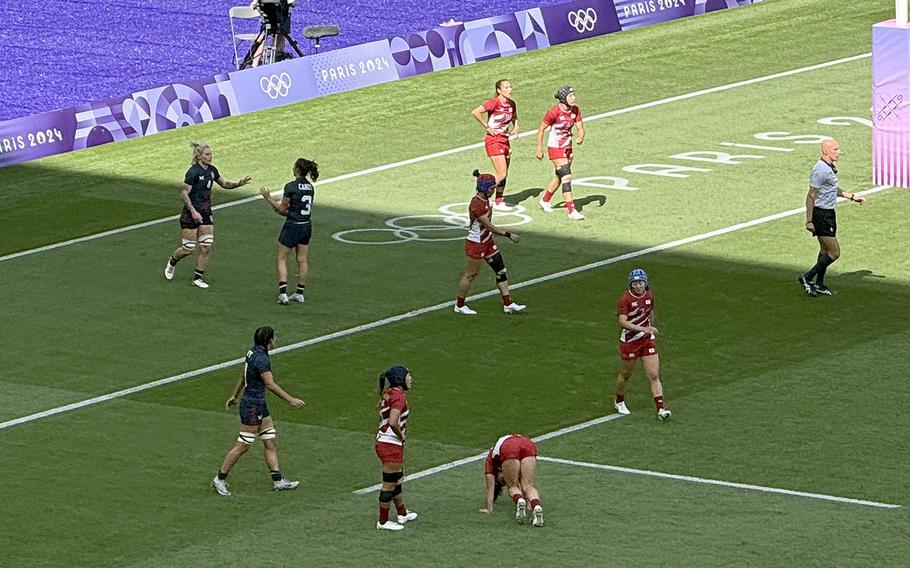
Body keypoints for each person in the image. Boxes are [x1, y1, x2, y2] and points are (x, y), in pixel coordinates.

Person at [212, 326, 307, 496]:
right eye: (274, 337)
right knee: (242, 446)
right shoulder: (262, 359)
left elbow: (244, 375)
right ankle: (219, 479)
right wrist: (291, 399)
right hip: (252, 407)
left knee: (270, 441)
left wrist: (234, 395)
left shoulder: (251, 353)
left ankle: (278, 481)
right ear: (269, 341)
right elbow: (270, 383)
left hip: (258, 404)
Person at [164, 142, 252, 288]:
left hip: (205, 213)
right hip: (190, 214)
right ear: (199, 156)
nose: (210, 157)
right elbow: (184, 193)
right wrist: (193, 211)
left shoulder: (212, 170)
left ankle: (197, 278)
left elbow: (224, 184)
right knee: (188, 249)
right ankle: (172, 261)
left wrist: (239, 184)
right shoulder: (193, 172)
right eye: (207, 154)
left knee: (206, 246)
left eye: (211, 154)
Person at [797, 138, 865, 297]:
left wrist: (851, 196)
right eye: (836, 149)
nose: (839, 152)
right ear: (826, 151)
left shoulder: (828, 168)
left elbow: (832, 188)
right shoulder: (820, 170)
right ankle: (807, 278)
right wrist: (809, 220)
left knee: (824, 250)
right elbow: (811, 196)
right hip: (821, 214)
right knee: (834, 253)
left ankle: (819, 284)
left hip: (828, 213)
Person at [455, 171, 526, 315]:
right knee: (471, 274)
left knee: (501, 270)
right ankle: (459, 305)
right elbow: (489, 226)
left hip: (487, 241)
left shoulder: (485, 200)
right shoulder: (477, 204)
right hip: (476, 243)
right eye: (492, 189)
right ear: (484, 189)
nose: (494, 191)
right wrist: (509, 235)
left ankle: (508, 303)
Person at [614, 269, 672, 422]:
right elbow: (622, 321)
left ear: (645, 283)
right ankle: (619, 400)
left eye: (640, 283)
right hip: (630, 342)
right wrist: (643, 328)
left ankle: (660, 408)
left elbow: (650, 311)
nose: (638, 286)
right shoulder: (625, 299)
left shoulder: (649, 294)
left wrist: (650, 327)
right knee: (626, 374)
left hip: (646, 340)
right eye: (635, 283)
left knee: (653, 374)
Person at [259, 158, 318, 305]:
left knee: (281, 258)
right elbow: (296, 209)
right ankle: (300, 292)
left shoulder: (291, 186)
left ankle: (283, 293)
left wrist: (269, 199)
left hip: (293, 226)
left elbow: (281, 208)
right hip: (306, 225)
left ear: (297, 170)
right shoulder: (310, 187)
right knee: (302, 259)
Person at [374, 365, 418, 531]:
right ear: (400, 379)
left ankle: (402, 512)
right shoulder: (398, 397)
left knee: (397, 479)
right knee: (389, 483)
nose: (411, 379)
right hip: (390, 444)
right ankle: (383, 521)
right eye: (408, 376)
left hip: (386, 442)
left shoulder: (389, 394)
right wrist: (401, 435)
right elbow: (393, 422)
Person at [536, 86, 586, 220]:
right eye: (570, 96)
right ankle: (571, 210)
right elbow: (541, 130)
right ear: (563, 99)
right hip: (555, 148)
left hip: (567, 148)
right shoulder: (553, 112)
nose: (574, 98)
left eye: (574, 95)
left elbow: (580, 127)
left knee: (559, 176)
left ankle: (545, 200)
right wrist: (539, 149)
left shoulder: (575, 110)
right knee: (567, 177)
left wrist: (581, 136)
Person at [471, 79, 519, 211]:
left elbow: (514, 116)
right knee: (502, 173)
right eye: (506, 87)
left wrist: (516, 126)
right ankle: (481, 195)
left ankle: (498, 201)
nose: (510, 90)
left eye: (510, 87)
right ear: (499, 90)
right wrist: (487, 126)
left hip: (505, 140)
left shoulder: (512, 104)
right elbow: (475, 112)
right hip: (494, 140)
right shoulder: (494, 103)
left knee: (504, 173)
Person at [479, 434, 544, 527]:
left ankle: (519, 501)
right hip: (527, 444)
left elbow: (490, 487)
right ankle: (536, 506)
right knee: (528, 486)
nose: (504, 481)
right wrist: (528, 506)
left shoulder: (490, 461)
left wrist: (489, 509)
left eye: (502, 480)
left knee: (512, 486)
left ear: (497, 474)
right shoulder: (496, 454)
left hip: (509, 447)